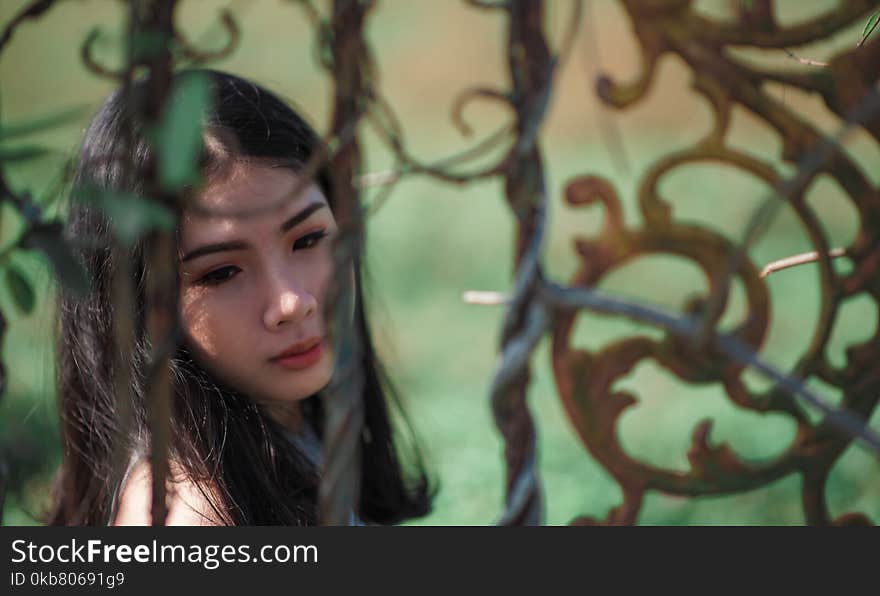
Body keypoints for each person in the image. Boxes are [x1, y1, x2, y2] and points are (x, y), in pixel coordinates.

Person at [47, 69, 434, 526]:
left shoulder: (294, 428)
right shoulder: (194, 512)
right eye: (222, 272)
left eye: (308, 240)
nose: (291, 303)